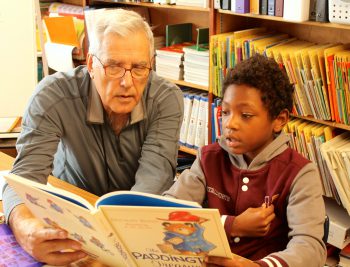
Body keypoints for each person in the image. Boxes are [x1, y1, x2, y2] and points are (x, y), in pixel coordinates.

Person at [2, 9, 183, 265]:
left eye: (140, 68)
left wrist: (109, 246)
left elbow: (152, 183)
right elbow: (23, 178)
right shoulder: (53, 95)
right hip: (70, 218)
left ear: (150, 63)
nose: (127, 82)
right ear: (90, 64)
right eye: (114, 66)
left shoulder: (166, 98)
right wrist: (26, 230)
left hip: (132, 229)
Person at [163, 54, 326, 267]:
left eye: (246, 115)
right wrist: (232, 225)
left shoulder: (300, 173)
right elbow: (167, 212)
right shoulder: (208, 158)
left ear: (279, 120)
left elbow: (310, 246)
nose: (230, 124)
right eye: (226, 112)